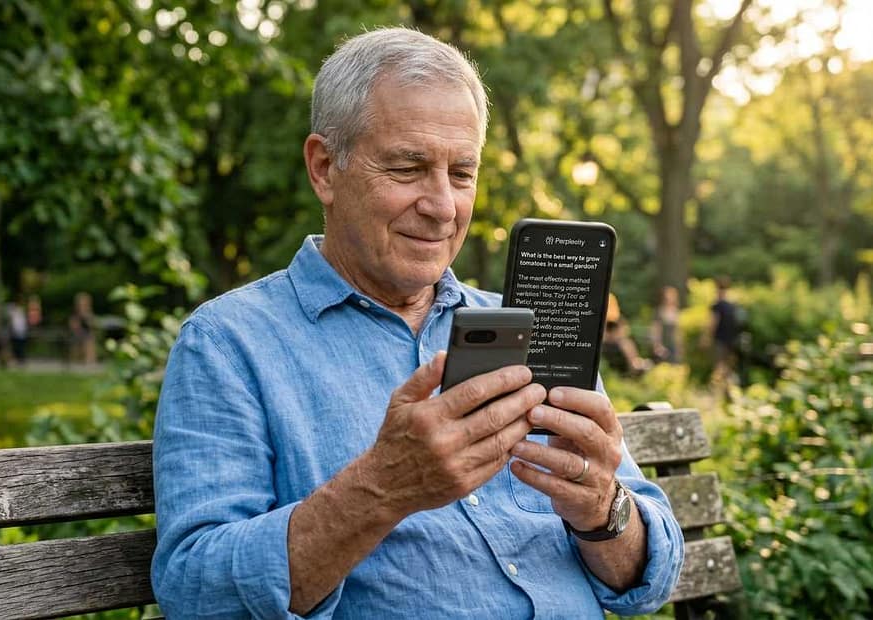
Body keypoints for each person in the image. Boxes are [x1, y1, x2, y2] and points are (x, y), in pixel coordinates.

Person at [152, 27, 683, 619]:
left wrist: (603, 511)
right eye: (408, 168)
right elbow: (195, 590)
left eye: (461, 173)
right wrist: (383, 488)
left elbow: (651, 579)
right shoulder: (229, 344)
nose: (442, 206)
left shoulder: (530, 327)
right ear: (325, 168)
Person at [702, 276, 741, 389]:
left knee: (719, 364)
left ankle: (717, 388)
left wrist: (705, 338)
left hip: (720, 339)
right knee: (728, 365)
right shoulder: (732, 305)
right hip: (731, 339)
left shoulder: (717, 305)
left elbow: (713, 323)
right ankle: (729, 389)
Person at [602, 293, 649, 376]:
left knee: (627, 342)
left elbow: (624, 328)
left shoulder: (616, 319)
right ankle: (633, 366)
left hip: (615, 340)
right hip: (607, 342)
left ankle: (635, 363)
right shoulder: (603, 320)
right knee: (625, 344)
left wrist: (619, 334)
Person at [650, 285, 682, 364]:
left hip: (674, 345)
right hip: (663, 344)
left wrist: (681, 347)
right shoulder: (659, 312)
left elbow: (679, 331)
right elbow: (655, 330)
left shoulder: (677, 312)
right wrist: (657, 345)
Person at [69, 292, 96, 364]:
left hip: (87, 334)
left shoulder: (89, 313)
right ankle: (76, 360)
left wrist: (86, 317)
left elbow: (92, 325)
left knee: (89, 340)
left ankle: (90, 360)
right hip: (77, 333)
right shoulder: (75, 313)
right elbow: (73, 325)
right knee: (77, 340)